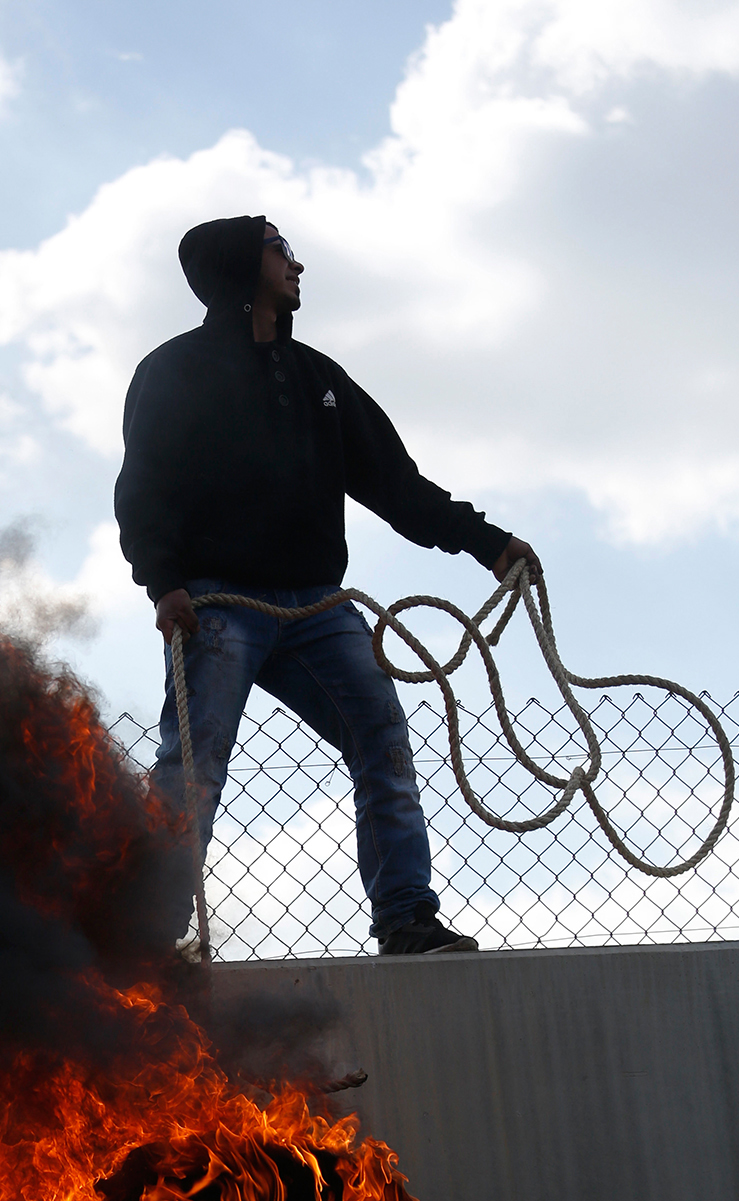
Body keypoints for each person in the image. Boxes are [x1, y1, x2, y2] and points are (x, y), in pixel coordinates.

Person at [114, 214, 540, 956]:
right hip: (217, 604)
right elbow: (143, 485)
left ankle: (405, 916)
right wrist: (163, 583)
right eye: (280, 249)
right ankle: (150, 935)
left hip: (317, 607)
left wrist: (488, 544)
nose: (296, 264)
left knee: (381, 737)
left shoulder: (319, 380)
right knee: (194, 762)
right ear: (241, 264)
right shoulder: (173, 371)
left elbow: (396, 486)